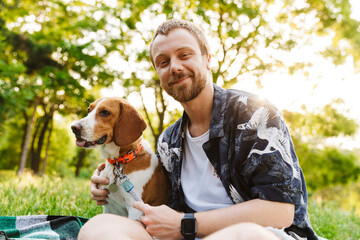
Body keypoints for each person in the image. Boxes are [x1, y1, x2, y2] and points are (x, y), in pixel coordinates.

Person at [78, 19, 320, 240]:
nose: (174, 67)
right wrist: (110, 182)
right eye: (163, 62)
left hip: (261, 235)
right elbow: (156, 202)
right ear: (159, 74)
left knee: (246, 235)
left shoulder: (255, 114)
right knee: (98, 227)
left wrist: (186, 224)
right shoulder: (168, 142)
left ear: (207, 58)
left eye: (184, 55)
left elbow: (281, 211)